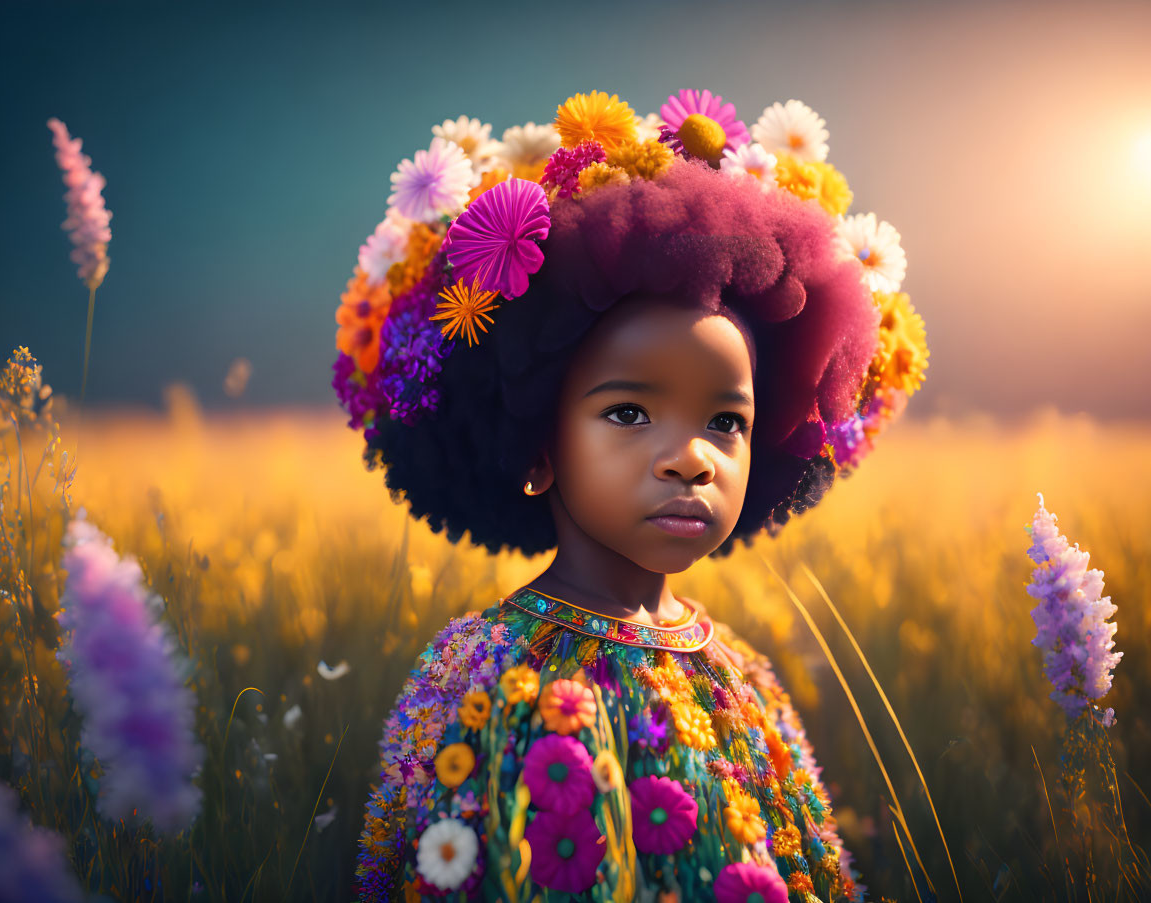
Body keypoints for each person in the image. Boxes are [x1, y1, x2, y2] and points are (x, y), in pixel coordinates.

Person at [333, 89, 930, 903]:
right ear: (538, 445)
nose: (689, 458)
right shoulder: (483, 670)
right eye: (628, 412)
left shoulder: (743, 675)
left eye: (725, 420)